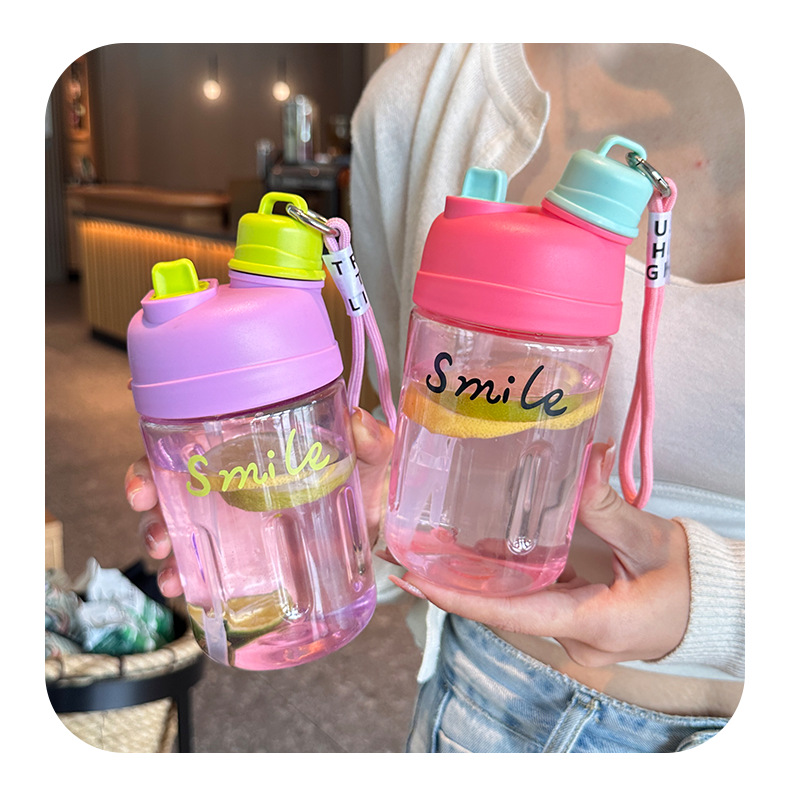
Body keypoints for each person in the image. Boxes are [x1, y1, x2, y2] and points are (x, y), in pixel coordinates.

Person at [125, 43, 744, 753]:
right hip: (483, 701)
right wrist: (368, 502)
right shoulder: (415, 96)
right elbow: (402, 417)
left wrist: (721, 605)